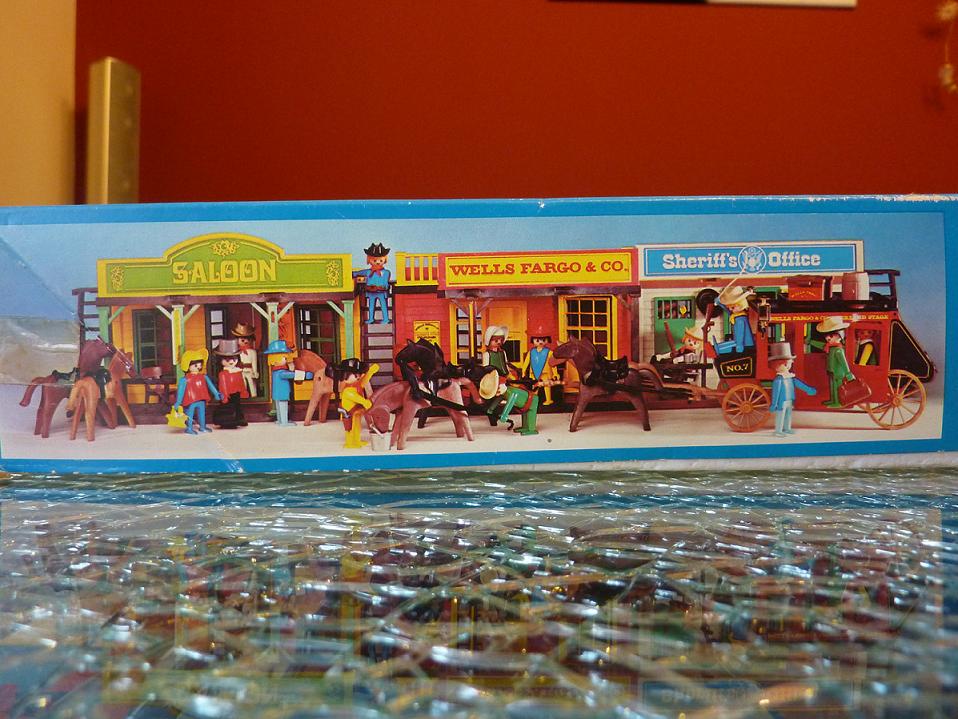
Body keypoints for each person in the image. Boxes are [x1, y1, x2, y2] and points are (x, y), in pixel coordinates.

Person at [768, 342, 817, 437]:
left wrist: (808, 389)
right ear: (776, 366)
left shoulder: (790, 377)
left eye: (788, 364)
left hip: (789, 400)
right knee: (781, 415)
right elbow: (775, 393)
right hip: (782, 401)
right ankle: (778, 430)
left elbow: (799, 384)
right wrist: (774, 404)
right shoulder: (778, 380)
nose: (787, 366)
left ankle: (787, 428)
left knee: (788, 415)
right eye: (784, 364)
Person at [263, 339, 312, 426]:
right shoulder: (281, 372)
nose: (286, 360)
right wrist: (305, 375)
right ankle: (284, 422)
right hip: (282, 393)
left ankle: (280, 420)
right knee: (283, 406)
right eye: (284, 358)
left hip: (276, 393)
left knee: (279, 407)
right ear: (276, 359)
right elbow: (291, 375)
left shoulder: (275, 371)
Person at [174, 348, 222, 435]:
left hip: (201, 399)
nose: (199, 367)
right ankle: (189, 428)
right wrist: (178, 402)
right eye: (195, 365)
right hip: (190, 400)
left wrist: (216, 393)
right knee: (189, 414)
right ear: (187, 365)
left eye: (200, 365)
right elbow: (181, 391)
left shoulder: (203, 377)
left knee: (202, 413)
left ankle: (202, 427)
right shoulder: (184, 379)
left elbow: (211, 386)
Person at [337, 358, 377, 448]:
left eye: (358, 374)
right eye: (355, 375)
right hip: (349, 413)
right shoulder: (348, 391)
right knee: (350, 428)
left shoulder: (356, 385)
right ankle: (350, 442)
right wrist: (364, 402)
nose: (358, 377)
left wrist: (370, 372)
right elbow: (356, 397)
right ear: (345, 376)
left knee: (357, 427)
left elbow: (364, 381)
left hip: (356, 412)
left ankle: (357, 440)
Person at [816, 317, 855, 408]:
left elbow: (844, 363)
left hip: (838, 373)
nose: (827, 338)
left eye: (831, 335)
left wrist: (848, 374)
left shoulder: (838, 350)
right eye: (826, 335)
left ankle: (838, 402)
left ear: (839, 335)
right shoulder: (830, 347)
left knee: (837, 388)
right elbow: (821, 345)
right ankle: (833, 400)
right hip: (831, 371)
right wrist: (810, 342)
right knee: (832, 387)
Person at [352, 242, 392, 324]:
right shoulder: (368, 272)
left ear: (385, 260)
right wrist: (353, 274)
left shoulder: (386, 272)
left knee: (383, 305)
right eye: (374, 260)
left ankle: (386, 318)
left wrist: (382, 287)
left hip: (381, 291)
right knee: (371, 305)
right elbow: (359, 273)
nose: (377, 262)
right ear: (369, 260)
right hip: (371, 291)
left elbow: (385, 283)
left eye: (380, 260)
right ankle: (371, 318)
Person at [213, 339, 248, 429]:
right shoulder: (223, 373)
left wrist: (243, 391)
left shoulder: (237, 371)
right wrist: (224, 395)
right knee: (227, 408)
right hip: (227, 395)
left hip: (236, 393)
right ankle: (228, 422)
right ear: (220, 361)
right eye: (226, 359)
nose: (231, 361)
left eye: (234, 358)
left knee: (238, 406)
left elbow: (241, 382)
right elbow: (223, 385)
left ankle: (239, 419)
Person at [709, 286, 755, 355]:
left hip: (746, 346)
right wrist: (719, 303)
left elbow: (740, 334)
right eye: (729, 307)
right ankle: (717, 348)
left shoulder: (740, 320)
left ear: (741, 305)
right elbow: (728, 311)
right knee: (722, 346)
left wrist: (739, 346)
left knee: (722, 349)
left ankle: (718, 350)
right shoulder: (737, 315)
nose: (730, 309)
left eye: (732, 307)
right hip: (739, 342)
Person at [519, 326, 558, 406]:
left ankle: (548, 399)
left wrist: (555, 373)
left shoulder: (549, 352)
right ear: (533, 340)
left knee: (546, 385)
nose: (540, 342)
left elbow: (553, 364)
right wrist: (523, 371)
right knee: (535, 385)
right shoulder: (531, 352)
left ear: (547, 340)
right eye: (537, 340)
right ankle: (534, 399)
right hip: (533, 373)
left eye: (543, 340)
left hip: (546, 372)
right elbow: (526, 362)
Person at [232, 322, 260, 397]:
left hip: (250, 370)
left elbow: (254, 362)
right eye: (242, 340)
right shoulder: (237, 351)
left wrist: (255, 371)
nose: (246, 341)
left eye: (248, 339)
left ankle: (254, 395)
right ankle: (243, 395)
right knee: (242, 383)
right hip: (241, 370)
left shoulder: (253, 352)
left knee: (252, 383)